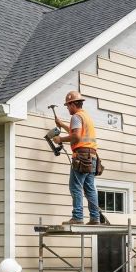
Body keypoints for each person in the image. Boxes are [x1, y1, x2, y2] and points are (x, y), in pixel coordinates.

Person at [52, 90, 100, 225]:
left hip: (82, 155)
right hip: (92, 156)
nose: (67, 108)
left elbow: (77, 136)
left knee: (75, 186)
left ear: (73, 104)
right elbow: (76, 131)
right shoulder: (86, 116)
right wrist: (61, 125)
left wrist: (60, 139)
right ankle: (95, 218)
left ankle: (78, 217)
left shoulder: (76, 117)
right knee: (90, 188)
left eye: (68, 106)